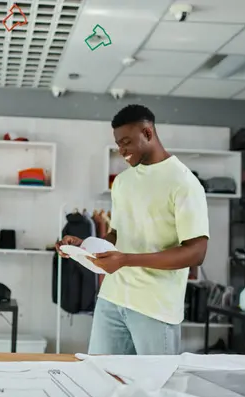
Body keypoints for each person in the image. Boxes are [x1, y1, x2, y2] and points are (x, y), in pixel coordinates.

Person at [56, 104, 209, 355]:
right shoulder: (123, 182)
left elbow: (196, 253)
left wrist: (126, 260)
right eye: (118, 144)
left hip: (155, 307)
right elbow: (117, 235)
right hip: (111, 300)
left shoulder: (184, 183)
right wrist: (83, 246)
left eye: (127, 142)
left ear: (148, 133)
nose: (122, 150)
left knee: (152, 391)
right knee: (100, 382)